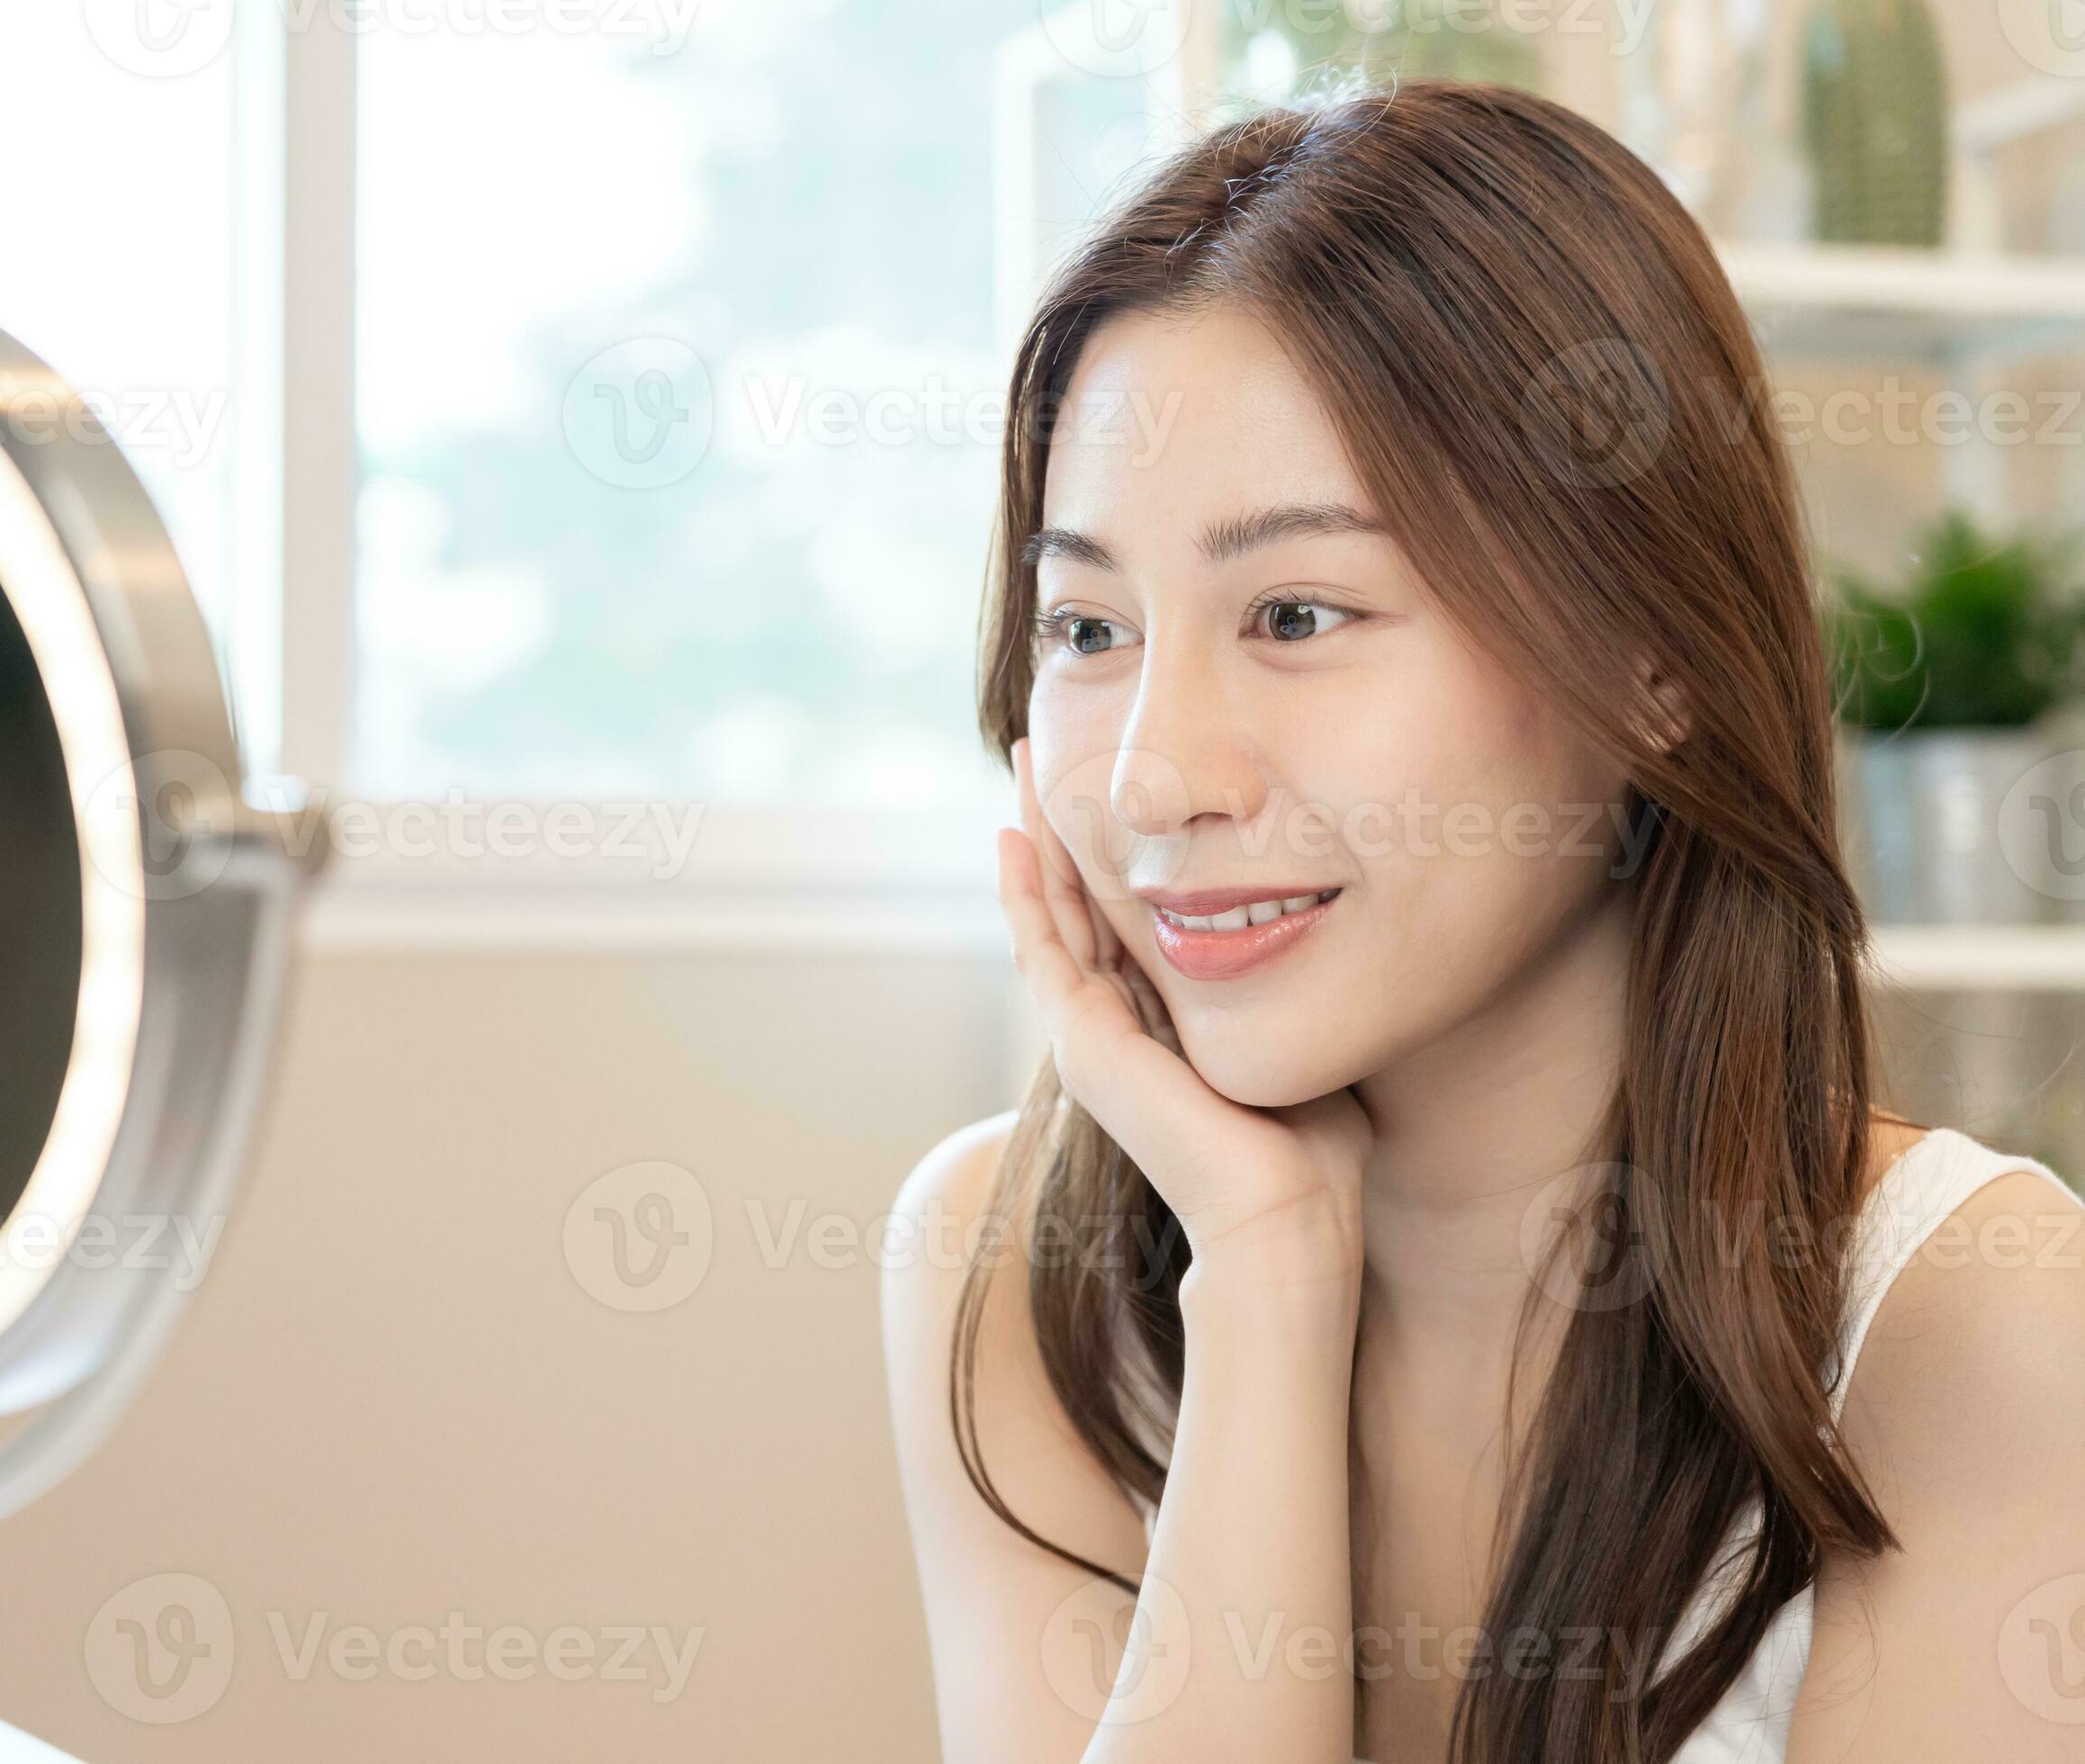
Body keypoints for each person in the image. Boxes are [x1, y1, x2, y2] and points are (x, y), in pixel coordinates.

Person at [881, 78, 2085, 1763]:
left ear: (1650, 662)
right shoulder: (1007, 1269)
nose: (1154, 780)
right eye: (1085, 627)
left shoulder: (1974, 1325)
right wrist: (1265, 1276)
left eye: (1297, 612)